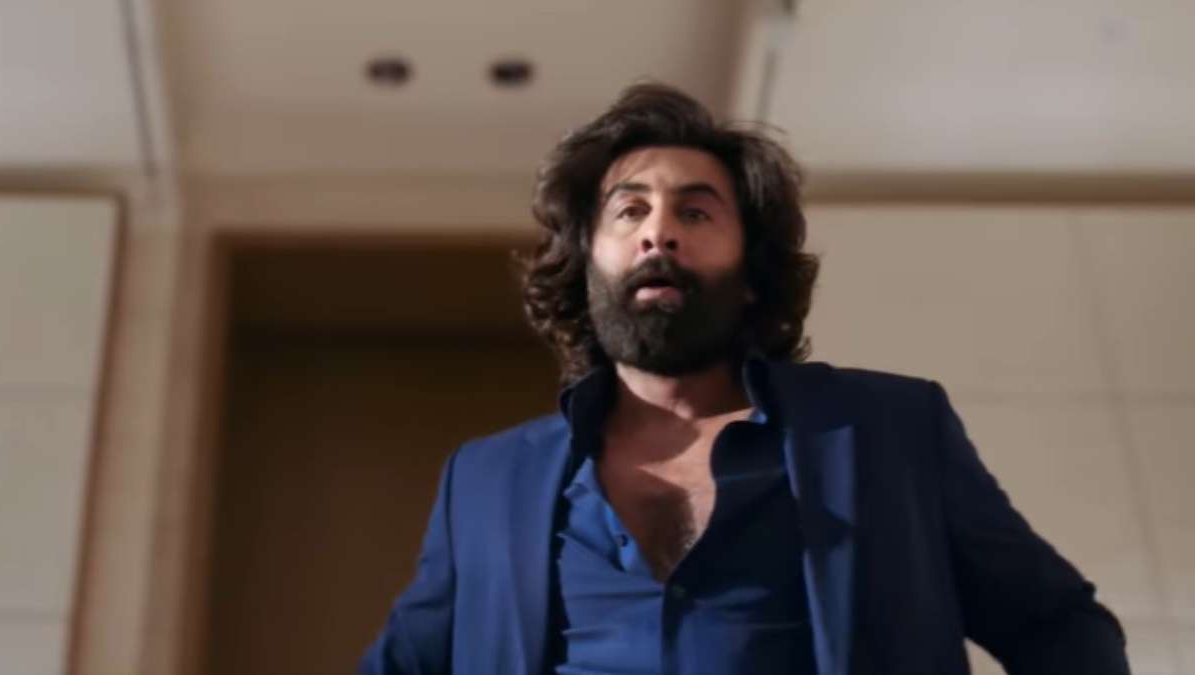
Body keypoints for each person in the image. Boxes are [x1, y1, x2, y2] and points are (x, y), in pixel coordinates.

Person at [359, 83, 1129, 675]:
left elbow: (1059, 627)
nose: (658, 232)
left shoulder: (891, 431)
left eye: (696, 213)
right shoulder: (484, 480)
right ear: (586, 265)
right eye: (628, 212)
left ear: (753, 272)